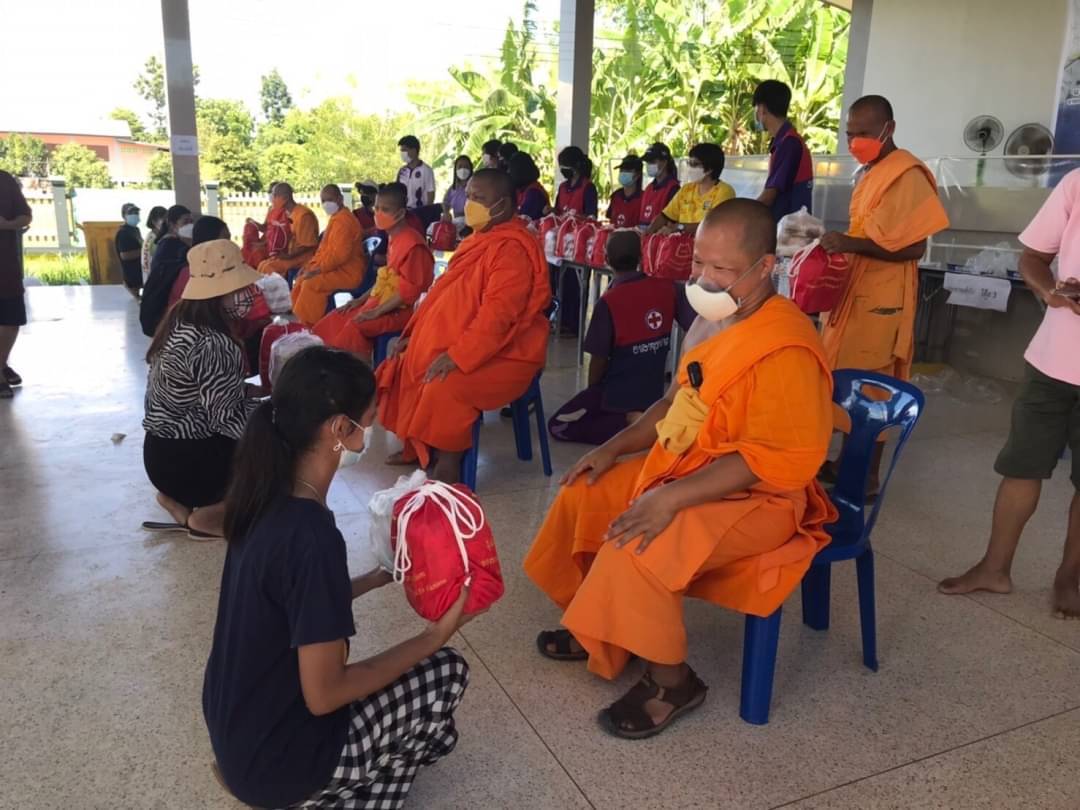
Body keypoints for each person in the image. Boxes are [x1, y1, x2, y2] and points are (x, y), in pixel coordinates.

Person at [523, 199, 836, 739]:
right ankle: (600, 625)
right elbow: (674, 403)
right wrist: (614, 447)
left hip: (760, 496)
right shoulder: (714, 324)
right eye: (697, 264)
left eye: (722, 270)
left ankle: (673, 681)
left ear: (765, 268)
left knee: (641, 540)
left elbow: (779, 459)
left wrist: (671, 498)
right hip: (691, 467)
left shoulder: (784, 346)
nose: (704, 280)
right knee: (586, 491)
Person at [203, 346, 474, 809]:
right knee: (446, 672)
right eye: (368, 420)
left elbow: (290, 603)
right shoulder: (312, 535)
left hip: (236, 736)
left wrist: (375, 578)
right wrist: (433, 636)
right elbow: (326, 695)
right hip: (277, 766)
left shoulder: (263, 495)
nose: (371, 432)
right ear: (339, 430)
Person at [938, 168, 1080, 619]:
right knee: (1021, 466)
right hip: (1052, 361)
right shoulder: (1077, 183)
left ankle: (1069, 577)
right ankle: (994, 568)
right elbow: (1033, 257)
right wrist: (1051, 291)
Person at [376, 169, 551, 482]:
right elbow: (445, 294)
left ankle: (448, 465)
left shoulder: (511, 250)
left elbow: (497, 318)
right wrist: (415, 334)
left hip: (509, 351)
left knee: (445, 383)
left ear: (504, 204)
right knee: (405, 359)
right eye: (469, 196)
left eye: (479, 198)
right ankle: (418, 447)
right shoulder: (480, 238)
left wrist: (458, 355)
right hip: (473, 341)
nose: (470, 204)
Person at [818, 95, 949, 494]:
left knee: (872, 389)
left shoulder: (905, 174)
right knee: (845, 380)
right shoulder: (872, 171)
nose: (854, 141)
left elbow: (914, 248)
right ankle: (844, 462)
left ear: (887, 130)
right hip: (856, 293)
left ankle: (867, 477)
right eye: (849, 133)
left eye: (863, 133)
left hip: (882, 302)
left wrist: (851, 245)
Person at [141, 239, 263, 540]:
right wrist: (279, 417)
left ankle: (181, 503)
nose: (247, 295)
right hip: (190, 464)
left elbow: (206, 393)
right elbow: (226, 420)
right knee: (276, 446)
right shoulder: (214, 342)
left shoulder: (179, 322)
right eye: (239, 290)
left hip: (162, 455)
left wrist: (253, 395)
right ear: (217, 295)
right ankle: (206, 519)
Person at [548, 230, 676, 445]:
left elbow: (598, 359)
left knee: (558, 425)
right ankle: (645, 420)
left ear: (606, 260)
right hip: (654, 395)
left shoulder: (609, 301)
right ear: (641, 257)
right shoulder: (667, 288)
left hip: (616, 395)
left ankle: (631, 424)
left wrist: (593, 393)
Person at [314, 183, 434, 361]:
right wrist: (359, 301)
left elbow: (409, 293)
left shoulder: (412, 244)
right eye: (376, 208)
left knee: (355, 325)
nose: (378, 213)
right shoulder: (394, 238)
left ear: (400, 214)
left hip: (402, 311)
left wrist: (376, 312)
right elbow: (384, 281)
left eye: (385, 209)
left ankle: (357, 377)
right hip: (383, 301)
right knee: (335, 318)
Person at [167, 217, 272, 373]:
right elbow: (221, 395)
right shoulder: (212, 345)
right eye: (225, 240)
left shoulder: (194, 277)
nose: (244, 293)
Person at [290, 184, 366, 326]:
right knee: (301, 278)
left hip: (347, 273)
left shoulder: (345, 221)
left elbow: (339, 256)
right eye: (323, 201)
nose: (326, 204)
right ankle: (297, 320)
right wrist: (309, 266)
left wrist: (317, 270)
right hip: (333, 268)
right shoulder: (336, 218)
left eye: (330, 199)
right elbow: (323, 250)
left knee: (311, 283)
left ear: (340, 198)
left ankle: (308, 325)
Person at [752, 79, 815, 223]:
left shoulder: (789, 144)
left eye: (756, 109)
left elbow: (769, 196)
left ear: (762, 109)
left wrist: (743, 213)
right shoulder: (784, 140)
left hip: (788, 230)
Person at [647, 143, 735, 234]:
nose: (690, 168)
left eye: (695, 164)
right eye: (689, 163)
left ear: (709, 169)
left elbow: (713, 225)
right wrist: (649, 232)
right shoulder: (686, 189)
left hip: (706, 245)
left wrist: (680, 227)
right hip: (680, 244)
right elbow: (665, 216)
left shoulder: (724, 191)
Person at [0, 170, 32, 400]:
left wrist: (8, 224)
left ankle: (1, 364)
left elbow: (26, 216)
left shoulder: (5, 181)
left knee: (11, 322)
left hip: (6, 268)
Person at [140, 204, 193, 337]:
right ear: (172, 224)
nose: (190, 225)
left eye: (191, 222)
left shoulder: (171, 243)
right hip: (162, 310)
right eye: (185, 222)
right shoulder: (172, 246)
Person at [256, 183, 320, 278]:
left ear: (285, 198)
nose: (272, 199)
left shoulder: (304, 216)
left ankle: (282, 292)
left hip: (301, 258)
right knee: (262, 265)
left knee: (268, 267)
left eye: (275, 196)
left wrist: (289, 256)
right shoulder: (282, 213)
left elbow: (308, 245)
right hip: (287, 255)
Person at [242, 181, 290, 268]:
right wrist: (253, 222)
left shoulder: (285, 211)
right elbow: (265, 227)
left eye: (271, 192)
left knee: (257, 253)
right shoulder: (271, 208)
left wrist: (264, 243)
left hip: (274, 244)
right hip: (265, 239)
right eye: (269, 192)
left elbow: (281, 234)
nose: (270, 195)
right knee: (245, 249)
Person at [640, 143, 681, 228]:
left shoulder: (673, 189)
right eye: (647, 162)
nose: (649, 165)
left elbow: (671, 221)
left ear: (664, 162)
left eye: (652, 162)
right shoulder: (649, 188)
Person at [554, 145, 598, 218]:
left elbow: (591, 217)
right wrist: (552, 211)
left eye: (566, 166)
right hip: (562, 227)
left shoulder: (588, 187)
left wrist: (574, 217)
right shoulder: (562, 187)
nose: (563, 169)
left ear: (577, 165)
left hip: (579, 228)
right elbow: (559, 210)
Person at [509, 152, 550, 223]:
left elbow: (524, 220)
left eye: (511, 170)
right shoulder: (521, 189)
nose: (509, 172)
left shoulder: (534, 193)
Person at [397, 135, 436, 210]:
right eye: (401, 151)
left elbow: (430, 195)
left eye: (404, 150)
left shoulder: (426, 170)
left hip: (420, 211)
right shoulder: (402, 171)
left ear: (414, 150)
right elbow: (397, 193)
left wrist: (426, 212)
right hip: (404, 212)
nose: (402, 153)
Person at [607, 155, 644, 228]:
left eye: (628, 171)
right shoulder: (615, 196)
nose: (623, 173)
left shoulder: (644, 198)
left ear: (638, 175)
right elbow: (611, 220)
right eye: (621, 170)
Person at [115, 202, 143, 299]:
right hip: (131, 276)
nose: (134, 215)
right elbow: (125, 255)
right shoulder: (123, 233)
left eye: (136, 212)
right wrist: (143, 251)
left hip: (139, 274)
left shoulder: (135, 230)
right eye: (131, 213)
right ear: (124, 216)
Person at [140, 205, 167, 286]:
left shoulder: (152, 236)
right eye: (163, 221)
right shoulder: (154, 240)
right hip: (154, 282)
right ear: (154, 222)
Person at [442, 155, 473, 223]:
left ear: (470, 168)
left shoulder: (476, 186)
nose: (463, 169)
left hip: (472, 221)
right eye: (460, 167)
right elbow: (445, 202)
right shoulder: (453, 188)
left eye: (466, 167)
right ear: (456, 169)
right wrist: (446, 212)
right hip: (457, 220)